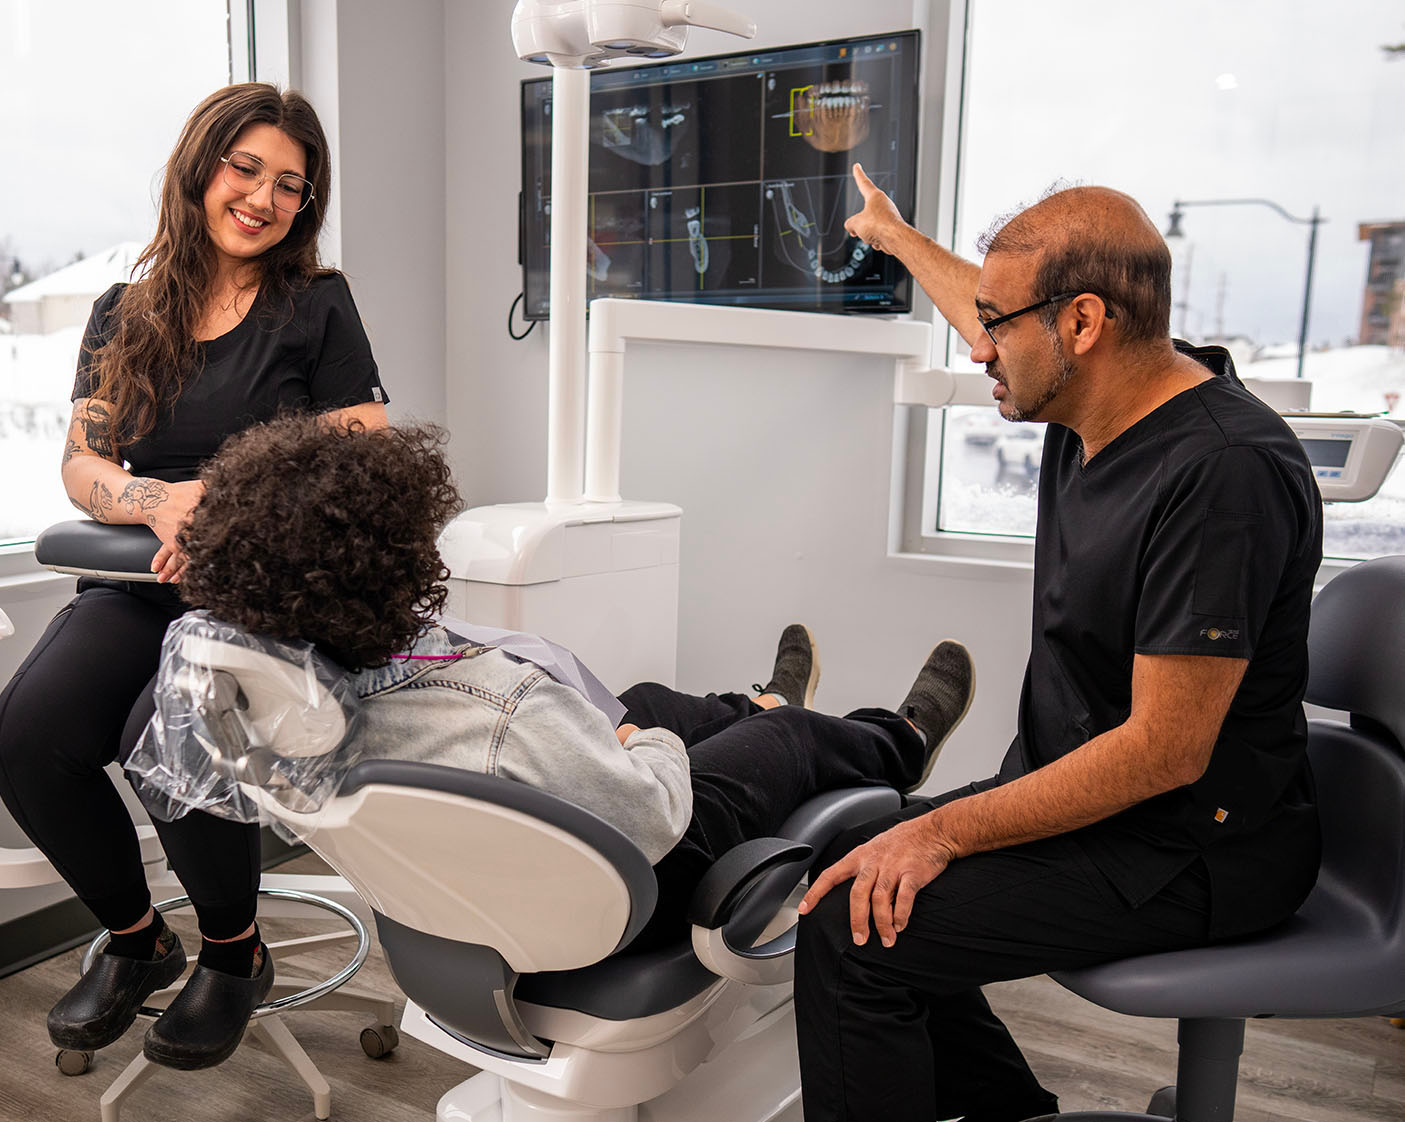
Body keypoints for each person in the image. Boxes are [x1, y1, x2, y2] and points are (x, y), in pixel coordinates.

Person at [786, 168, 1324, 1122]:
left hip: (1190, 846)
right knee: (862, 862)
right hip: (1103, 801)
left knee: (854, 929)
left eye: (996, 328)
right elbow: (995, 308)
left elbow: (1166, 751)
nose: (979, 347)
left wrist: (942, 829)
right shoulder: (1100, 397)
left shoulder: (1221, 475)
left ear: (1081, 325)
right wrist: (898, 237)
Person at [167, 413, 976, 952]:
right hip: (635, 890)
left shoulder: (290, 708)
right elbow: (653, 807)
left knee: (651, 698)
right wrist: (637, 744)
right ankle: (893, 742)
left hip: (480, 890)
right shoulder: (498, 707)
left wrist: (634, 725)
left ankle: (758, 701)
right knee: (770, 740)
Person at [0, 83, 389, 1072]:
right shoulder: (121, 312)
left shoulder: (316, 305)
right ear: (200, 167)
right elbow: (82, 467)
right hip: (138, 586)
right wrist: (154, 502)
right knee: (28, 734)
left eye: (291, 186)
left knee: (162, 738)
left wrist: (214, 497)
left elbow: (363, 445)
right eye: (245, 168)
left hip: (263, 597)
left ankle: (233, 952)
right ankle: (138, 943)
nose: (263, 197)